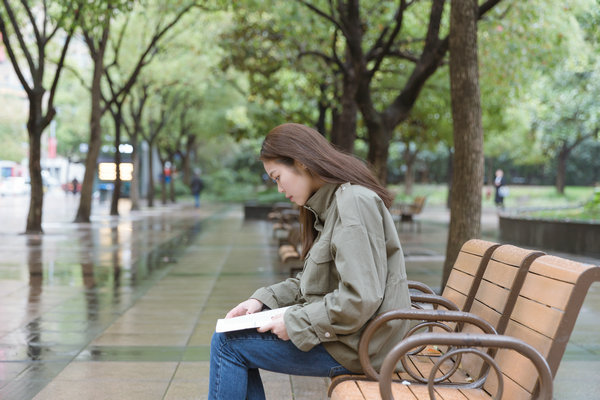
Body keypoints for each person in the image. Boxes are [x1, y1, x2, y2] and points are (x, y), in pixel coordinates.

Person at [208, 123, 412, 400]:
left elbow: (360, 298)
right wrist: (261, 302)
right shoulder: (333, 205)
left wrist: (295, 321)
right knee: (234, 340)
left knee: (228, 344)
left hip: (361, 347)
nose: (279, 189)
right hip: (354, 338)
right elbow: (314, 283)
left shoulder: (352, 203)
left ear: (301, 162)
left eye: (278, 177)